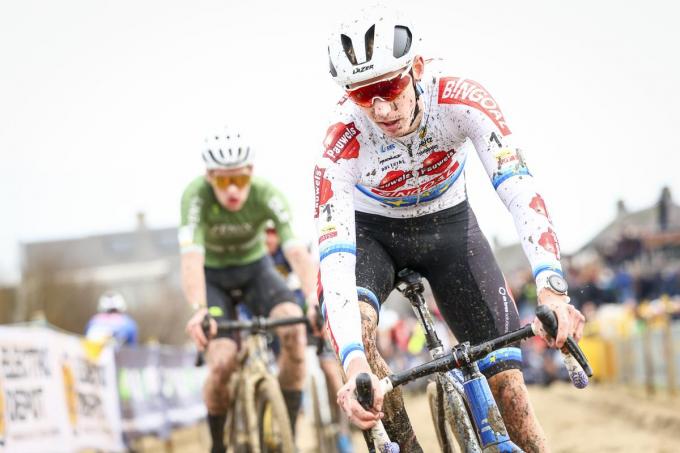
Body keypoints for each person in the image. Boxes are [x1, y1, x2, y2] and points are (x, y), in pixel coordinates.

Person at [315, 7, 586, 452]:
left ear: (416, 68)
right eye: (364, 96)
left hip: (449, 230)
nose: (380, 108)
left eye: (388, 86)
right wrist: (354, 365)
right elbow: (336, 256)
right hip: (373, 238)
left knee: (510, 388)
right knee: (363, 349)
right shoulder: (341, 140)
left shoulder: (459, 98)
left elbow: (519, 189)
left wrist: (552, 287)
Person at [180, 128, 318, 453]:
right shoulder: (195, 196)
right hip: (213, 278)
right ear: (209, 176)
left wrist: (314, 298)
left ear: (251, 174)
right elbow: (190, 259)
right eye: (223, 181)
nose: (232, 190)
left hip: (256, 271)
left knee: (295, 331)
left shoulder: (266, 193)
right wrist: (199, 308)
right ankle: (218, 443)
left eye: (239, 181)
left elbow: (297, 252)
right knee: (222, 362)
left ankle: (288, 431)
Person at [264, 222, 355, 453]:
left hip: (310, 321)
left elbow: (316, 285)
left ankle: (344, 434)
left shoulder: (294, 254)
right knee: (284, 373)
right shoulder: (260, 261)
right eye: (264, 234)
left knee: (332, 374)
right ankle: (289, 428)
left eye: (272, 233)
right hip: (283, 328)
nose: (268, 239)